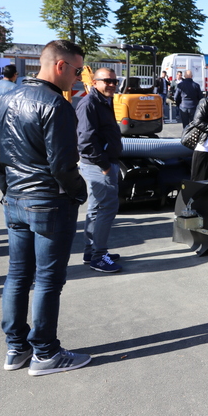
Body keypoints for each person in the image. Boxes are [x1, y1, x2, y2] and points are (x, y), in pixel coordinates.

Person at [0, 40, 91, 376]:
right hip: (49, 204)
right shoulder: (56, 106)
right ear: (60, 66)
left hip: (17, 201)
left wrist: (10, 192)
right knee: (48, 280)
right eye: (77, 71)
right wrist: (80, 193)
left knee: (18, 276)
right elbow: (63, 165)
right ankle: (45, 353)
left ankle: (16, 348)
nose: (78, 78)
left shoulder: (5, 99)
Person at [76, 68, 124, 274]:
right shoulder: (89, 103)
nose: (112, 84)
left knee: (96, 208)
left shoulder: (104, 100)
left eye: (114, 81)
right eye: (107, 81)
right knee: (107, 208)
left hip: (103, 162)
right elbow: (85, 141)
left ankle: (91, 251)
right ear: (95, 82)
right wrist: (104, 165)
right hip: (98, 164)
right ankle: (99, 256)